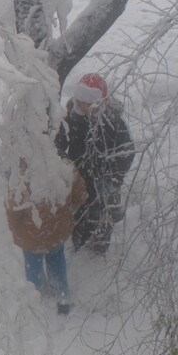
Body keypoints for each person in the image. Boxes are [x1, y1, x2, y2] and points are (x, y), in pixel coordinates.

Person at [55, 73, 135, 254]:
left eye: (91, 103)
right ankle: (78, 243)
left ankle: (99, 248)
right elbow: (59, 143)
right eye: (82, 102)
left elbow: (127, 151)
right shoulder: (71, 118)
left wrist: (114, 177)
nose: (86, 107)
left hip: (105, 178)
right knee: (80, 212)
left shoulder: (113, 122)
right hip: (80, 177)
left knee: (104, 214)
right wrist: (65, 164)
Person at [5, 161, 88, 315]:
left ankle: (35, 297)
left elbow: (12, 211)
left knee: (32, 266)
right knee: (57, 260)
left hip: (31, 238)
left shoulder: (19, 178)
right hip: (56, 232)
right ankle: (62, 296)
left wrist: (13, 228)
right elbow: (80, 195)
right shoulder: (63, 167)